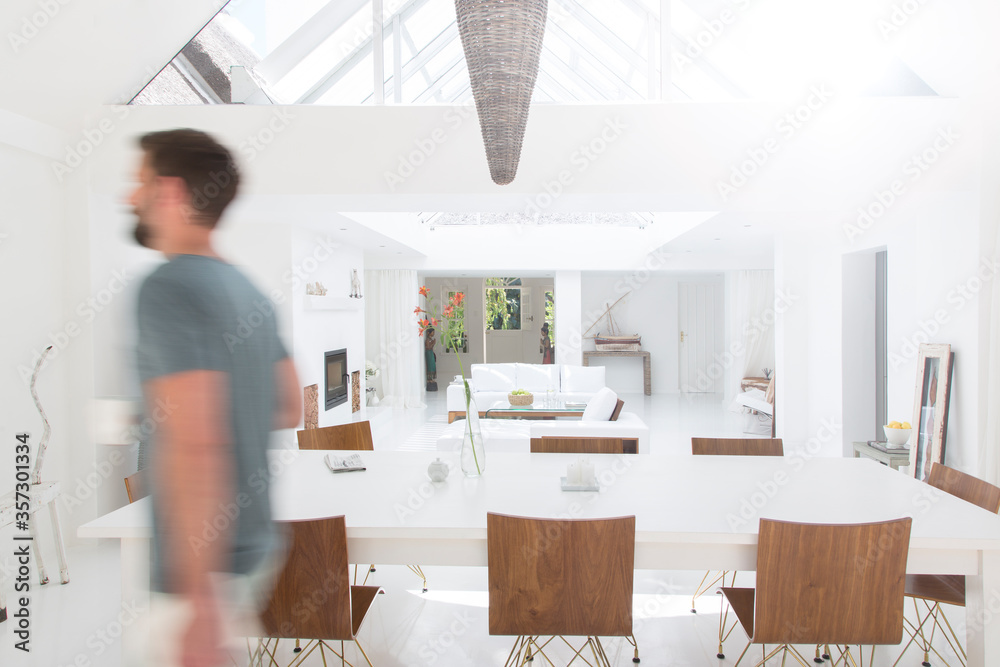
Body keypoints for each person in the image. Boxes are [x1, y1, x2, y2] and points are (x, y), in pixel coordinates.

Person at [130, 128, 301, 667]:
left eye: (138, 182)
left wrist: (199, 596)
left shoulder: (168, 287)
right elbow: (289, 404)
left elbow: (197, 443)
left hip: (203, 569)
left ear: (172, 192)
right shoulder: (247, 291)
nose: (128, 197)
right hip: (254, 551)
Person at [425, 326, 438, 391]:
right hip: (429, 353)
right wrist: (433, 343)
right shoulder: (427, 340)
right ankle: (429, 379)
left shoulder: (430, 339)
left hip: (431, 353)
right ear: (428, 332)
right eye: (432, 332)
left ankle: (431, 378)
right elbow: (428, 347)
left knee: (432, 365)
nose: (433, 333)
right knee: (430, 365)